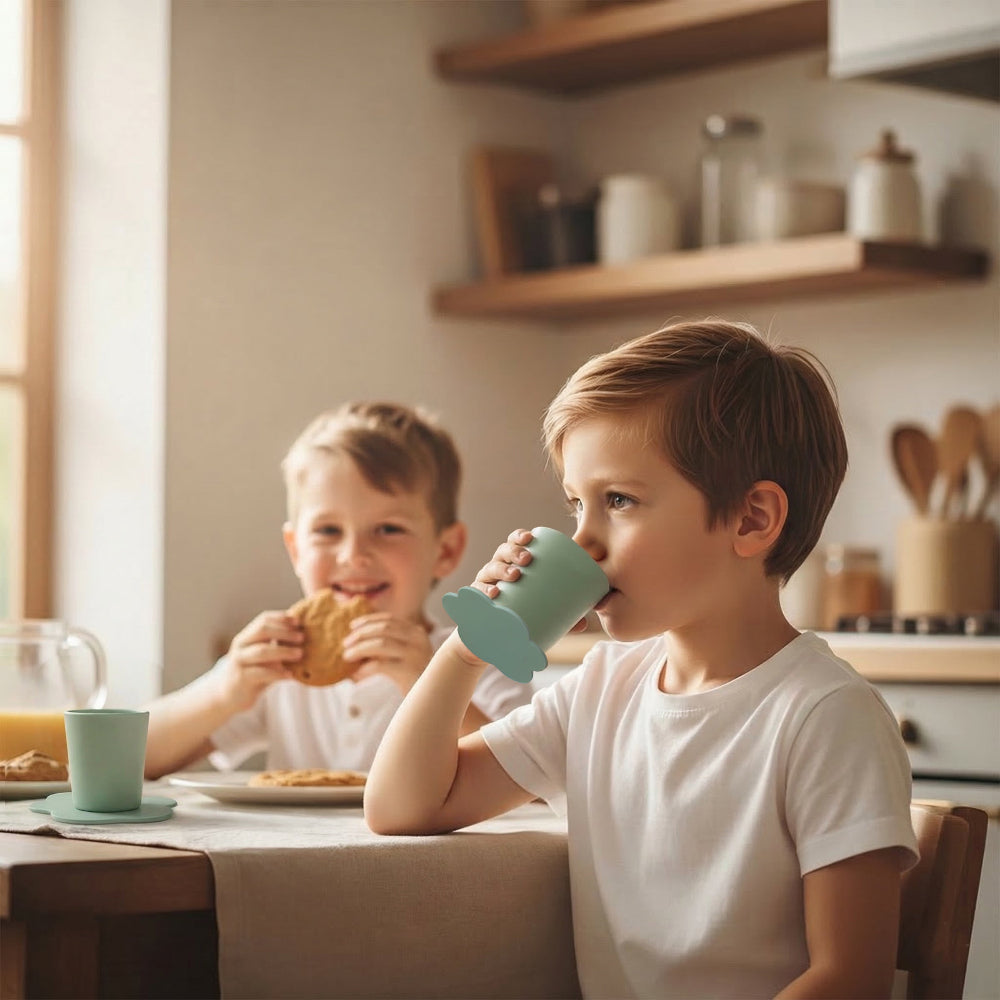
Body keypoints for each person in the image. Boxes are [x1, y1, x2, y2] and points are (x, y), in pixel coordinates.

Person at [365, 321, 919, 999]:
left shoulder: (826, 717)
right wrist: (467, 647)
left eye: (619, 501)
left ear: (751, 519)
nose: (582, 543)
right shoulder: (601, 689)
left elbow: (850, 979)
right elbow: (401, 806)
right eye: (577, 504)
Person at [143, 401, 532, 779]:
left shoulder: (482, 661)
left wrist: (431, 687)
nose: (354, 555)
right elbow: (131, 759)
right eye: (328, 530)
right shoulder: (281, 666)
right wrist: (223, 694)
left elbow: (534, 779)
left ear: (445, 551)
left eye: (388, 529)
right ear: (296, 550)